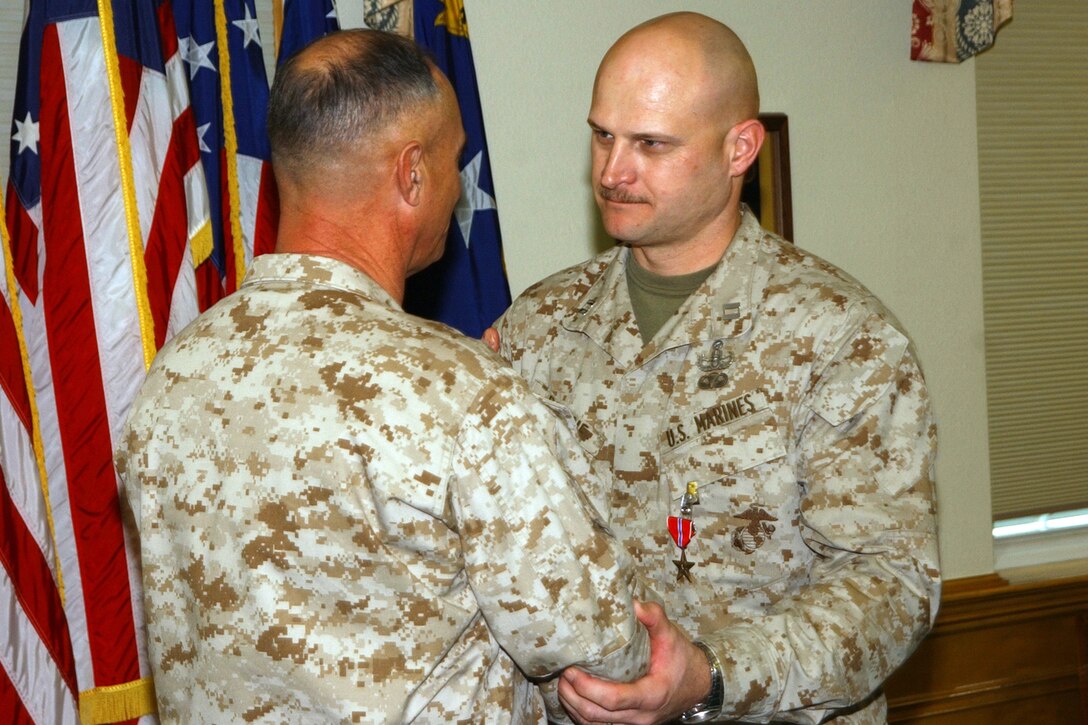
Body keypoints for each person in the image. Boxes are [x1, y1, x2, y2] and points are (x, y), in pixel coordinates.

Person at [115, 29, 651, 724]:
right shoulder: (465, 396)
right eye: (454, 158)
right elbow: (606, 655)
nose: (458, 183)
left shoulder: (169, 382)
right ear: (413, 174)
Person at [494, 12, 940, 725]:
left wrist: (711, 674)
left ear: (740, 148)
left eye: (651, 144)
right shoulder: (538, 327)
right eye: (603, 134)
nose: (612, 170)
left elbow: (889, 586)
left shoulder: (836, 336)